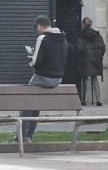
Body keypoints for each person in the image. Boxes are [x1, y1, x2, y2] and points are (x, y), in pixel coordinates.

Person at [15, 15, 68, 143]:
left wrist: (30, 57)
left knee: (26, 104)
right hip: (57, 79)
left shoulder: (42, 38)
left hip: (43, 77)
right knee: (35, 105)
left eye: (36, 28)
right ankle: (28, 136)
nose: (37, 30)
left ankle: (21, 138)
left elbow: (36, 62)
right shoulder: (63, 39)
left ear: (39, 26)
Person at [77, 17, 106, 106]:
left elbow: (79, 48)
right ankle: (98, 100)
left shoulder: (81, 35)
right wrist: (99, 56)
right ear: (91, 24)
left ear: (83, 24)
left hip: (85, 61)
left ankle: (83, 100)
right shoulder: (98, 35)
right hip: (96, 61)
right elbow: (103, 48)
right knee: (94, 80)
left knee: (84, 80)